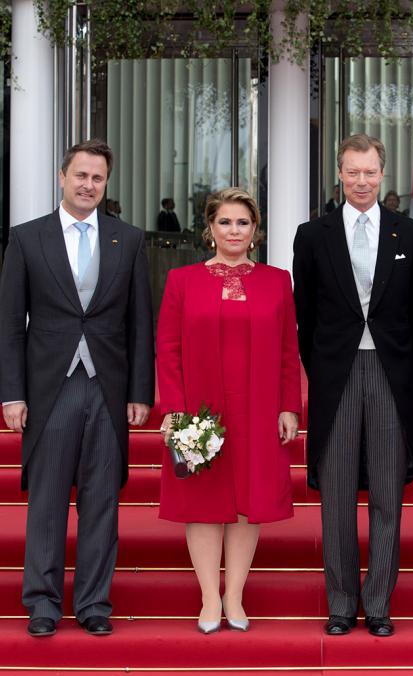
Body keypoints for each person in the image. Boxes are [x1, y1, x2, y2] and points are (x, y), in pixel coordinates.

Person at [0, 139, 154, 637]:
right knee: (45, 501)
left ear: (106, 184)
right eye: (81, 175)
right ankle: (42, 603)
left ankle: (93, 603)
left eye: (98, 178)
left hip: (107, 389)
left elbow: (139, 323)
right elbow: (9, 324)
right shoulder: (27, 239)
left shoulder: (127, 240)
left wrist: (139, 391)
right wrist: (11, 393)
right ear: (62, 177)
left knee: (102, 501)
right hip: (49, 389)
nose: (89, 185)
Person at [293, 134, 413, 637]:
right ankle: (341, 602)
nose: (362, 181)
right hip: (337, 377)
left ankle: (379, 602)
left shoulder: (409, 234)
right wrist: (325, 367)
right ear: (340, 174)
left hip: (392, 376)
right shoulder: (313, 234)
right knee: (337, 494)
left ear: (383, 174)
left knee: (389, 496)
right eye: (353, 172)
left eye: (370, 172)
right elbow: (304, 314)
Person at [157, 187, 301, 634]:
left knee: (248, 500)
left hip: (258, 408)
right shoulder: (182, 281)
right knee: (203, 502)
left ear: (254, 230)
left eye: (242, 222)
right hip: (200, 407)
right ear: (210, 228)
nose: (233, 230)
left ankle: (235, 593)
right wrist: (176, 412)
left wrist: (288, 407)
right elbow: (169, 348)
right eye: (225, 222)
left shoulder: (278, 280)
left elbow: (287, 351)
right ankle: (208, 597)